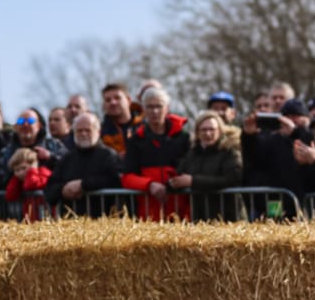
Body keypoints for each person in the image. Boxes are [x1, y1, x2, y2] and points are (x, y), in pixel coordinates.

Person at [121, 85, 191, 220]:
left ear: (167, 108)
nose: (154, 111)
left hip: (181, 211)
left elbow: (192, 170)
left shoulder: (184, 138)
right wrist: (149, 184)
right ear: (143, 110)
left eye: (159, 106)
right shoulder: (135, 140)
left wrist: (182, 180)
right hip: (148, 213)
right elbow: (127, 178)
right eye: (149, 107)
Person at [171, 111, 243, 219]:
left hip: (229, 216)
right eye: (204, 130)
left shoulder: (230, 151)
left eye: (212, 129)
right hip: (201, 217)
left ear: (219, 130)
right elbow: (180, 175)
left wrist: (193, 181)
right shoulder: (192, 154)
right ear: (197, 132)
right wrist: (171, 184)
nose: (208, 133)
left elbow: (234, 178)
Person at [48, 113, 125, 212]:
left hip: (103, 217)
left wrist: (84, 185)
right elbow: (50, 188)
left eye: (88, 130)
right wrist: (63, 190)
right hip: (70, 219)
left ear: (98, 132)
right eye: (79, 131)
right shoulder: (66, 159)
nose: (83, 134)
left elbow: (117, 180)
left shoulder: (109, 155)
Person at [0, 109, 66, 190]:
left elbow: (68, 168)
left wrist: (50, 158)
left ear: (39, 126)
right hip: (15, 197)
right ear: (16, 127)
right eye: (21, 121)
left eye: (30, 121)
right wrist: (14, 168)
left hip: (47, 197)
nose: (25, 124)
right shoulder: (6, 152)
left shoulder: (53, 145)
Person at [1, 146, 52, 220]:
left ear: (34, 164)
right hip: (30, 217)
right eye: (17, 170)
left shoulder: (43, 172)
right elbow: (10, 195)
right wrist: (15, 179)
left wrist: (32, 171)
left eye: (23, 168)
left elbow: (31, 185)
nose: (21, 173)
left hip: (46, 217)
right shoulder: (20, 180)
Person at [99, 84, 136, 155]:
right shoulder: (100, 133)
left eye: (117, 98)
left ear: (128, 100)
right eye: (108, 100)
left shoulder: (146, 125)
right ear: (104, 105)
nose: (113, 103)